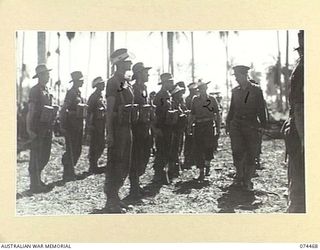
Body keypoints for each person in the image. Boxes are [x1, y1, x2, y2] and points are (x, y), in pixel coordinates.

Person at [104, 48, 135, 213]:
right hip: (117, 128)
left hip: (126, 126)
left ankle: (116, 197)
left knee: (124, 163)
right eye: (127, 61)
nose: (130, 63)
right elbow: (109, 110)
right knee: (115, 163)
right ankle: (111, 200)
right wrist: (109, 132)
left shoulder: (125, 82)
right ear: (120, 63)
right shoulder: (113, 82)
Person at [226, 65, 267, 190]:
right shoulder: (235, 91)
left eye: (238, 76)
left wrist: (263, 125)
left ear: (245, 75)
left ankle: (247, 180)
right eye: (235, 76)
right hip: (237, 125)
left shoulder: (256, 90)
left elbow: (261, 108)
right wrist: (228, 123)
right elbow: (232, 109)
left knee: (251, 153)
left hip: (251, 125)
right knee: (237, 151)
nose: (236, 79)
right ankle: (240, 175)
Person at [284, 30, 305, 213]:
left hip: (303, 120)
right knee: (297, 162)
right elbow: (296, 101)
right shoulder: (301, 66)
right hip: (298, 120)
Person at [26, 64, 55, 193]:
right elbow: (31, 110)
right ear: (40, 76)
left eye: (48, 73)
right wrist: (29, 129)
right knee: (36, 156)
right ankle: (34, 184)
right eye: (46, 74)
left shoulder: (47, 90)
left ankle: (37, 179)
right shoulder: (35, 90)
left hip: (47, 128)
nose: (48, 76)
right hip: (37, 128)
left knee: (45, 155)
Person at [126, 62, 153, 199]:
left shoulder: (144, 88)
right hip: (136, 127)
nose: (148, 74)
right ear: (139, 74)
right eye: (145, 72)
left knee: (144, 156)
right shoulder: (133, 88)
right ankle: (134, 187)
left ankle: (137, 185)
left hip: (145, 127)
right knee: (136, 157)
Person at [190, 80, 221, 181]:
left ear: (206, 89)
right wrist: (189, 126)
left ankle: (207, 165)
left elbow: (217, 114)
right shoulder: (195, 100)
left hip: (208, 126)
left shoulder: (212, 99)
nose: (202, 90)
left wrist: (218, 128)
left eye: (204, 88)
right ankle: (201, 172)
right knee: (198, 149)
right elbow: (192, 114)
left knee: (209, 147)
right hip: (198, 126)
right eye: (200, 89)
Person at [60, 71, 86, 182]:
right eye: (81, 80)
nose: (83, 81)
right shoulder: (71, 93)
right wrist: (63, 125)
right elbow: (64, 109)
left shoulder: (78, 93)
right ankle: (67, 174)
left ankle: (71, 171)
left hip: (78, 125)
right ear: (76, 81)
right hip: (71, 126)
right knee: (71, 150)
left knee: (77, 149)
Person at [152, 73, 175, 183]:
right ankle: (158, 174)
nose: (171, 84)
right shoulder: (160, 95)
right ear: (164, 83)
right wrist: (156, 128)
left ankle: (163, 174)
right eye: (169, 82)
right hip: (161, 127)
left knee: (166, 150)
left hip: (168, 127)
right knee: (161, 150)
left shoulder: (168, 95)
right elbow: (156, 113)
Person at [86, 76, 106, 174]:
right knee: (95, 145)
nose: (104, 85)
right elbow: (89, 112)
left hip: (101, 125)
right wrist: (89, 125)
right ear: (97, 86)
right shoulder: (93, 97)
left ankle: (95, 164)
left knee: (101, 145)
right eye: (101, 84)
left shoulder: (101, 96)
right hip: (95, 125)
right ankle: (92, 166)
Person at [170, 84, 188, 177]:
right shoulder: (173, 103)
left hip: (180, 128)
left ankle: (176, 168)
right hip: (174, 129)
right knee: (174, 148)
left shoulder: (180, 103)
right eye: (179, 93)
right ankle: (173, 169)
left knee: (179, 147)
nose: (181, 94)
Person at [183, 82, 198, 169]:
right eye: (194, 90)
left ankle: (192, 159)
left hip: (193, 122)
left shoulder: (192, 98)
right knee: (189, 142)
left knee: (193, 142)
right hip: (190, 122)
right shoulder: (190, 99)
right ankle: (188, 160)